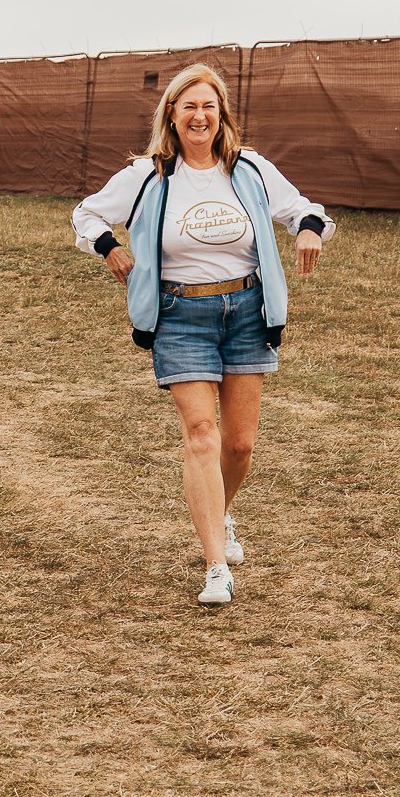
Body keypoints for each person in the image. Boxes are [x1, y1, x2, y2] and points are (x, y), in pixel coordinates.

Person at [72, 63, 330, 607]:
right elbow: (87, 214)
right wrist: (109, 248)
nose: (199, 115)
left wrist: (308, 231)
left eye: (209, 106)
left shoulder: (251, 169)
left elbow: (302, 210)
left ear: (222, 115)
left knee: (239, 444)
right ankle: (216, 565)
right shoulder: (147, 175)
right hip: (180, 314)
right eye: (188, 105)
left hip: (247, 310)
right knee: (202, 436)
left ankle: (220, 513)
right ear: (171, 113)